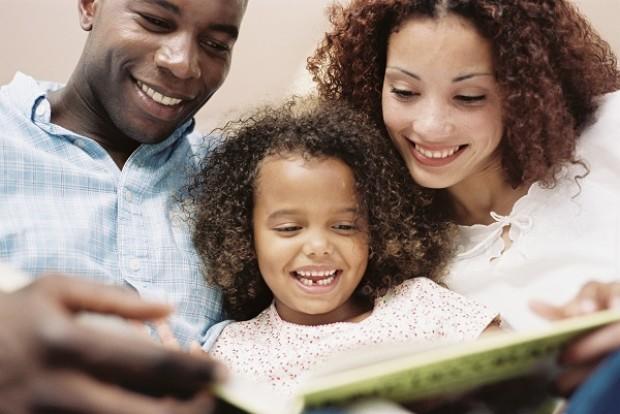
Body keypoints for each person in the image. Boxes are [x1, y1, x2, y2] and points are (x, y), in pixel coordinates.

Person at [307, 0, 620, 399]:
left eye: (469, 97)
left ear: (526, 92)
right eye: (404, 92)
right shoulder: (378, 249)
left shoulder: (610, 134)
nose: (430, 126)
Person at [0, 0, 247, 411]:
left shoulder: (235, 177)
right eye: (155, 21)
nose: (182, 64)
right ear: (89, 6)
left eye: (216, 45)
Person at [179, 99, 498, 393]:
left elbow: (514, 374)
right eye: (290, 228)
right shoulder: (234, 351)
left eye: (344, 227)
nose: (319, 247)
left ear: (375, 232)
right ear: (245, 238)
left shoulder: (421, 305)